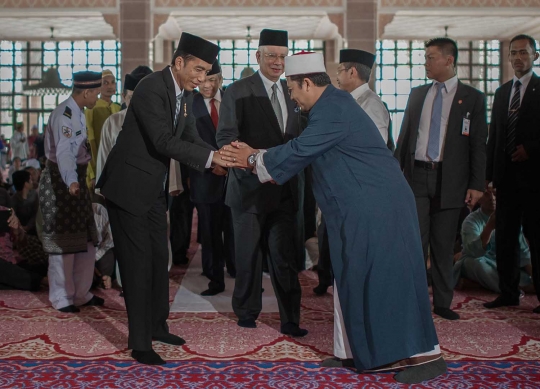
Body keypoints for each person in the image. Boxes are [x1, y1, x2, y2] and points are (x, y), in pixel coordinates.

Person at [219, 52, 446, 385]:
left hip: (378, 207)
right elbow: (300, 148)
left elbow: (298, 151)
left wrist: (252, 158)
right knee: (351, 279)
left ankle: (428, 355)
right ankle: (354, 352)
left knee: (390, 280)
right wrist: (256, 157)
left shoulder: (334, 108)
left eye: (293, 89)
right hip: (353, 208)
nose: (292, 96)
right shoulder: (328, 107)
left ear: (307, 83)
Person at [97, 32, 227, 366]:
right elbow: (163, 141)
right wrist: (212, 161)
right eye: (198, 70)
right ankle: (140, 343)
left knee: (159, 261)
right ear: (179, 62)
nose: (201, 78)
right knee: (138, 266)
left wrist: (217, 158)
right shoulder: (151, 88)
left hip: (152, 190)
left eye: (207, 73)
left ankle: (157, 326)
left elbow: (189, 136)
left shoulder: (183, 93)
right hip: (127, 191)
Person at [216, 29, 307, 336]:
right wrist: (263, 160)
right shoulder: (237, 91)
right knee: (248, 256)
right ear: (258, 56)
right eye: (272, 56)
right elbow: (226, 138)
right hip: (248, 189)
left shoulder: (293, 91)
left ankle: (290, 318)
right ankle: (246, 310)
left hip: (284, 189)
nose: (278, 62)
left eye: (283, 56)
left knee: (284, 258)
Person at [394, 37, 488, 320]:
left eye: (431, 57)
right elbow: (405, 138)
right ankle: (414, 299)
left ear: (449, 60)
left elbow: (478, 146)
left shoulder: (472, 98)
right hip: (417, 175)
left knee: (444, 244)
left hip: (451, 180)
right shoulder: (417, 94)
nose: (426, 62)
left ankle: (443, 303)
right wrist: (397, 176)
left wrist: (476, 184)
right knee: (415, 242)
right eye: (425, 57)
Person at [323, 48, 394, 367]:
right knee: (345, 279)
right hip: (344, 202)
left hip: (365, 204)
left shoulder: (372, 106)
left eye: (340, 70)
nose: (336, 76)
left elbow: (370, 162)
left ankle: (371, 352)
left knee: (365, 281)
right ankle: (346, 351)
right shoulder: (348, 103)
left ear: (353, 72)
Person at [484, 34, 540, 312]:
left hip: (534, 180)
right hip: (505, 180)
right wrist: (488, 176)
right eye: (514, 53)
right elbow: (494, 136)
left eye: (524, 53)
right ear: (508, 58)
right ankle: (508, 293)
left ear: (535, 56)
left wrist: (530, 149)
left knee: (535, 238)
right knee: (505, 237)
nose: (518, 57)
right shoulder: (502, 92)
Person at [39, 70, 103, 314]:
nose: (96, 97)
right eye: (95, 93)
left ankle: (80, 293)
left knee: (86, 241)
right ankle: (61, 297)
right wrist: (71, 181)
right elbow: (64, 153)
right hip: (61, 183)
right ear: (86, 92)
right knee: (62, 243)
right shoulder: (64, 115)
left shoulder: (79, 112)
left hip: (75, 182)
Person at [189, 61, 234, 295]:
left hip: (233, 176)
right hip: (205, 177)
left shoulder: (231, 100)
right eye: (204, 79)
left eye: (213, 79)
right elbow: (186, 143)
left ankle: (235, 268)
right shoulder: (189, 104)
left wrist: (231, 164)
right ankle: (214, 277)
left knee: (234, 227)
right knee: (210, 230)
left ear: (221, 79)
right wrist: (210, 165)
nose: (207, 85)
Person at [454, 188, 533, 293]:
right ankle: (517, 290)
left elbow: (523, 252)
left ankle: (481, 284)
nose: (492, 198)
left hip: (500, 264)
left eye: (495, 194)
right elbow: (473, 252)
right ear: (480, 199)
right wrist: (489, 228)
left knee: (523, 273)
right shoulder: (471, 221)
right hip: (477, 261)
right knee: (476, 264)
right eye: (487, 194)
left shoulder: (510, 218)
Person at [95, 66, 153, 187]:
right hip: (119, 185)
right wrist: (101, 185)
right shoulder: (113, 122)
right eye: (132, 98)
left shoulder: (160, 120)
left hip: (152, 186)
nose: (137, 103)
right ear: (124, 96)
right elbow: (104, 156)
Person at [85, 70, 121, 191]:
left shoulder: (119, 108)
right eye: (105, 83)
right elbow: (89, 142)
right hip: (99, 165)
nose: (110, 86)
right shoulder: (92, 109)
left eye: (112, 82)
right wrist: (93, 173)